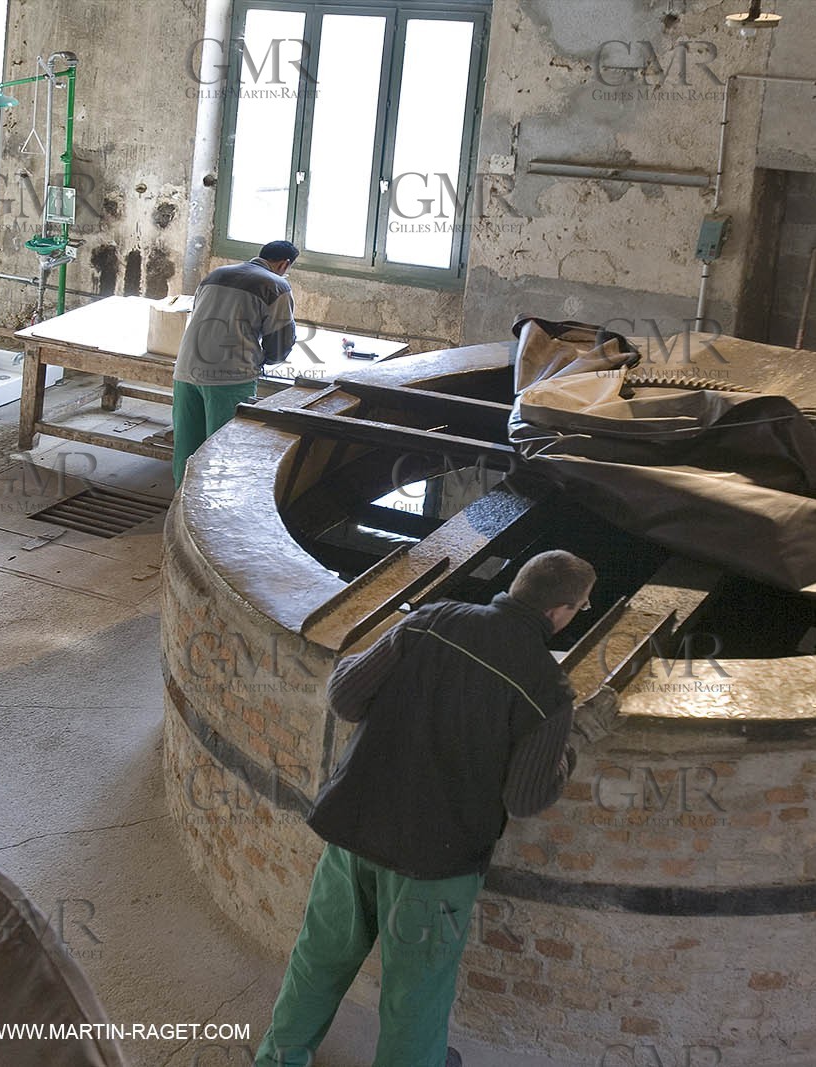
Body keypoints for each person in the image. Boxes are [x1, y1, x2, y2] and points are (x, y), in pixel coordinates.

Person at [253, 550, 597, 1067]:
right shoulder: (548, 690)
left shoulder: (434, 619)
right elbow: (524, 799)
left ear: (519, 585)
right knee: (415, 994)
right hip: (435, 864)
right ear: (562, 612)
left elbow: (345, 698)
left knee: (318, 958)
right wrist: (574, 745)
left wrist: (370, 658)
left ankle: (277, 1061)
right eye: (582, 608)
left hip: (356, 826)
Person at [172, 239, 299, 486]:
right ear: (284, 264)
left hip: (186, 370)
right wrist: (268, 359)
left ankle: (180, 505)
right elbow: (280, 339)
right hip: (229, 376)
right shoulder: (276, 285)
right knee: (223, 449)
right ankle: (215, 509)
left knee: (187, 447)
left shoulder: (216, 275)